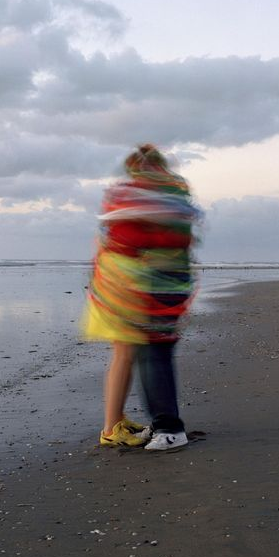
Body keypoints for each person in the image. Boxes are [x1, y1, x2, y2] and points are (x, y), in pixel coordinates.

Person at [82, 143, 200, 450]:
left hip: (129, 283)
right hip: (141, 285)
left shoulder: (132, 193)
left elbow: (114, 238)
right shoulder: (171, 192)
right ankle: (118, 426)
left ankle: (119, 425)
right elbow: (173, 237)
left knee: (131, 351)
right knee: (135, 351)